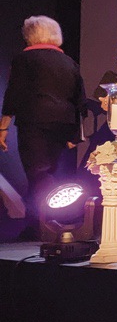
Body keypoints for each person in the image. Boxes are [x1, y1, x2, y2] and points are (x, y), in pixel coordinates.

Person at [0, 16, 85, 241]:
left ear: (31, 35)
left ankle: (54, 220)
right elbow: (79, 99)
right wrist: (75, 133)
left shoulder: (25, 59)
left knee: (38, 173)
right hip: (64, 123)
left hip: (35, 120)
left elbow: (14, 93)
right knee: (48, 172)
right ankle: (35, 223)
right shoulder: (68, 62)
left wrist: (3, 127)